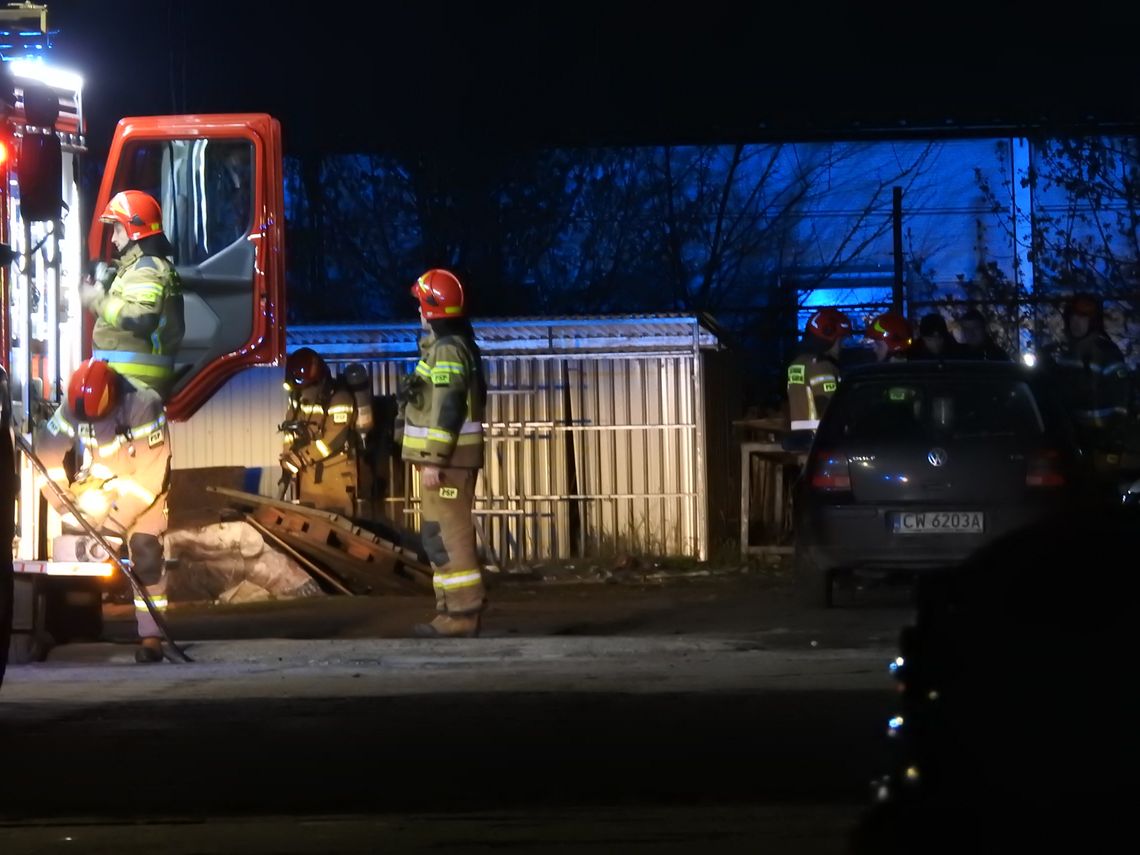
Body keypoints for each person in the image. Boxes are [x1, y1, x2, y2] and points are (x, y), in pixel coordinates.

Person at [34, 359, 172, 663]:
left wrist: (114, 524)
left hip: (143, 489)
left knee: (145, 551)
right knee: (77, 552)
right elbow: (47, 454)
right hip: (102, 485)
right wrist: (64, 504)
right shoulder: (73, 408)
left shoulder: (144, 405)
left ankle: (151, 637)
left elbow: (151, 475)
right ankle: (74, 627)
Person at [397, 268, 488, 638]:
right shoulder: (443, 348)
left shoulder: (448, 350)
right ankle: (449, 612)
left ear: (432, 309)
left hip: (448, 464)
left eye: (420, 303)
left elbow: (448, 407)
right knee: (437, 536)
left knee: (450, 536)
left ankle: (464, 615)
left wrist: (434, 459)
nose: (417, 310)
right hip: (444, 463)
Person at [80, 190, 186, 399]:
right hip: (128, 382)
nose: (112, 238)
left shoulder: (147, 269)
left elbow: (140, 318)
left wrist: (96, 300)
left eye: (117, 229)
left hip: (136, 385)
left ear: (134, 228)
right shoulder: (140, 268)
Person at [1039, 293, 1131, 466]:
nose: (1076, 322)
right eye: (1073, 317)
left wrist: (1114, 435)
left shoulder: (1106, 352)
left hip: (1101, 438)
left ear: (1092, 321)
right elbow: (1062, 393)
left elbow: (1122, 398)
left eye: (1083, 318)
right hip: (1073, 436)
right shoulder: (1066, 353)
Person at [279, 347, 372, 518]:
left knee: (339, 528)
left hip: (336, 476)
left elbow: (334, 439)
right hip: (308, 477)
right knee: (310, 525)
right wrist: (287, 459)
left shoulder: (339, 398)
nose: (302, 390)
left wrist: (301, 458)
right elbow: (289, 429)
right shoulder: (297, 400)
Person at [786, 307, 851, 433]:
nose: (842, 346)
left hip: (801, 438)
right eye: (841, 340)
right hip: (820, 437)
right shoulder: (822, 366)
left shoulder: (798, 363)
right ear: (830, 339)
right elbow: (828, 407)